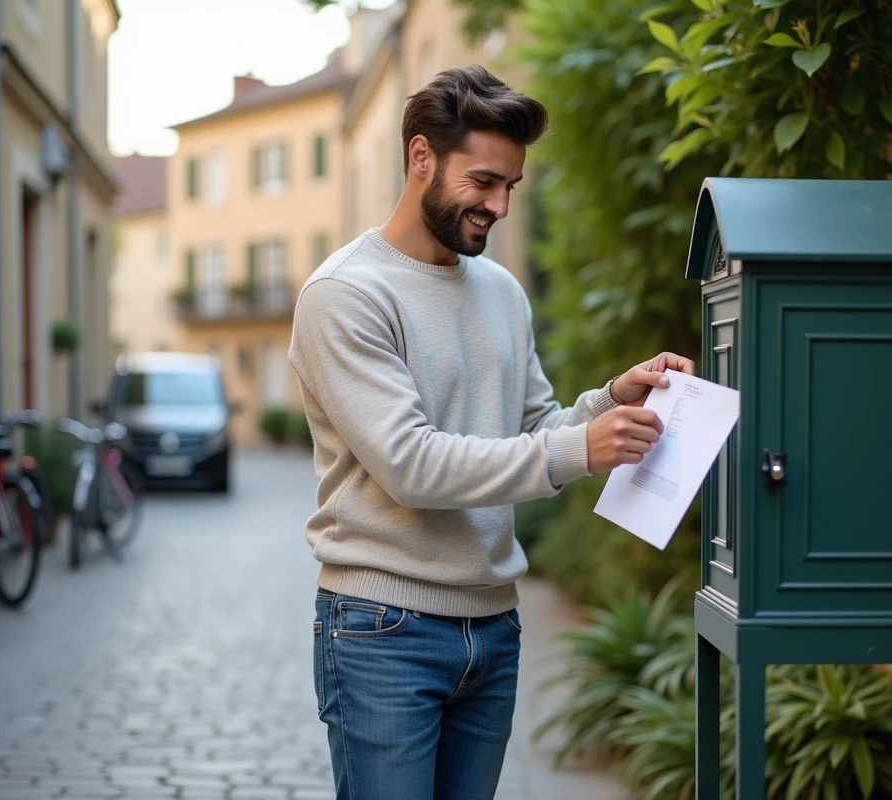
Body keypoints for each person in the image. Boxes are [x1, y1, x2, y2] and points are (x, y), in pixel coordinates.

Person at [288, 64, 695, 800]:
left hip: (492, 629)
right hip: (384, 629)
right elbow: (410, 463)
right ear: (421, 158)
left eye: (510, 186)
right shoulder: (345, 295)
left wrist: (610, 401)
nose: (501, 206)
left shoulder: (502, 291)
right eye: (484, 182)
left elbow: (536, 429)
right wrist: (579, 446)